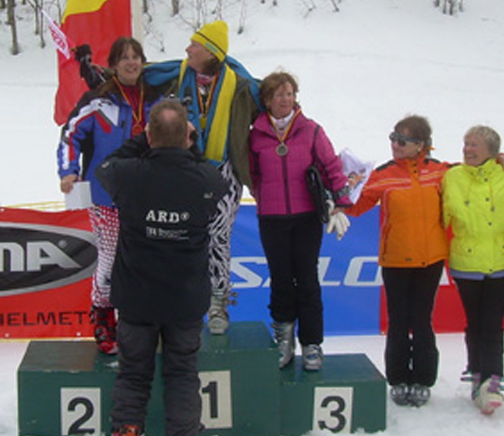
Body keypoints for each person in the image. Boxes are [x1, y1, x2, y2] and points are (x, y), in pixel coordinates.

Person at [96, 99, 228, 436]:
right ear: (187, 136)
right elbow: (209, 172)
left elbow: (106, 167)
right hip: (185, 299)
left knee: (133, 372)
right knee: (183, 373)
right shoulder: (207, 178)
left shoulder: (128, 173)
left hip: (137, 298)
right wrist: (187, 146)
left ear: (149, 135)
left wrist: (144, 141)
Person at [144, 20, 262, 335]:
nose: (187, 49)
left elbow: (273, 98)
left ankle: (218, 303)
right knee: (179, 237)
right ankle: (181, 303)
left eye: (194, 45)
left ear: (210, 50)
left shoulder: (239, 84)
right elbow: (142, 74)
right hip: (184, 169)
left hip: (224, 171)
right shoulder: (180, 74)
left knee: (218, 239)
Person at [56, 37, 161, 355]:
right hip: (106, 197)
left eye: (136, 57)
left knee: (145, 263)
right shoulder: (97, 101)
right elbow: (70, 134)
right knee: (111, 261)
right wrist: (68, 170)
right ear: (113, 65)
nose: (131, 62)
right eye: (124, 58)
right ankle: (103, 319)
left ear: (143, 62)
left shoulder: (155, 100)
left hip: (147, 199)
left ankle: (138, 324)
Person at [344, 115, 450, 407]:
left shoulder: (441, 171)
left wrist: (502, 160)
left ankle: (423, 379)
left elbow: (479, 175)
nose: (395, 144)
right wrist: (338, 193)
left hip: (430, 259)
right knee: (399, 321)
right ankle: (399, 378)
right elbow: (355, 204)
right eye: (393, 137)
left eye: (402, 140)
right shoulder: (383, 174)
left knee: (422, 320)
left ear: (421, 145)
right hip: (396, 260)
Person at [249, 71, 351, 371]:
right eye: (279, 94)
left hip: (307, 216)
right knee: (280, 279)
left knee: (307, 279)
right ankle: (284, 339)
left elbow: (332, 166)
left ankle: (312, 344)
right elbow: (253, 174)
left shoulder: (311, 130)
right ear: (267, 99)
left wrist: (340, 203)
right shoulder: (255, 134)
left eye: (290, 93)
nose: (285, 99)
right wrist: (264, 199)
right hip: (271, 218)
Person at [442, 125, 504, 415]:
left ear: (491, 151)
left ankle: (493, 380)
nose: (467, 149)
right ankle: (477, 374)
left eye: (474, 145)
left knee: (493, 324)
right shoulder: (452, 176)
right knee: (475, 322)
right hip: (466, 264)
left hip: (501, 263)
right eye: (465, 143)